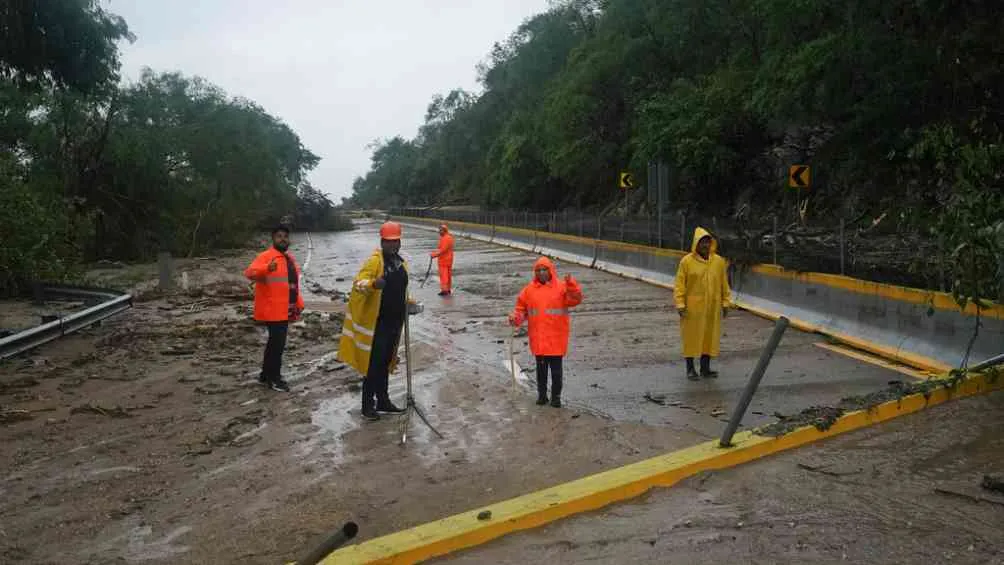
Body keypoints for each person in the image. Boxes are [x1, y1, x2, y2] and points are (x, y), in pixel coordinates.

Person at [339, 221, 410, 421]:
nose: (393, 245)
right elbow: (358, 284)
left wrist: (409, 303)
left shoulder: (400, 262)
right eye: (389, 242)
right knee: (374, 364)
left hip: (395, 322)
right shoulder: (374, 262)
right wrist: (372, 284)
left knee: (386, 362)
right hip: (378, 322)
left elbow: (400, 289)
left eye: (396, 241)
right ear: (382, 242)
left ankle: (384, 401)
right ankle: (367, 405)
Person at [508, 257, 583, 408]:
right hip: (539, 338)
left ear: (550, 271)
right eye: (538, 270)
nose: (541, 273)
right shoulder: (529, 291)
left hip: (556, 337)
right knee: (541, 371)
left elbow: (575, 299)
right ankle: (542, 396)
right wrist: (515, 318)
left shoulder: (562, 287)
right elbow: (521, 310)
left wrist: (571, 285)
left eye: (544, 270)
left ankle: (556, 398)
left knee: (556, 371)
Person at [244, 225, 304, 392]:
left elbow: (292, 285)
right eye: (279, 236)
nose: (283, 239)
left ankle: (265, 375)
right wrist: (265, 268)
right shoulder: (266, 256)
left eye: (285, 236)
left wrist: (299, 304)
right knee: (277, 345)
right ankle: (274, 379)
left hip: (286, 309)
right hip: (272, 310)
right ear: (273, 239)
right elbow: (249, 273)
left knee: (273, 344)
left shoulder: (289, 259)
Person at [674, 227, 731, 380]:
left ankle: (705, 368)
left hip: (712, 307)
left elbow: (723, 283)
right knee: (691, 338)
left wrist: (725, 303)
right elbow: (680, 285)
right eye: (702, 243)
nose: (705, 246)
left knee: (709, 337)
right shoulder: (686, 262)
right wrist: (680, 304)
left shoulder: (718, 262)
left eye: (707, 242)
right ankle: (690, 369)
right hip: (693, 308)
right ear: (696, 244)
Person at [430, 224, 455, 296]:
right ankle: (448, 289)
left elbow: (442, 250)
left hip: (443, 261)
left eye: (440, 230)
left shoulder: (445, 238)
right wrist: (435, 253)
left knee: (443, 276)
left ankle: (444, 291)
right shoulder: (449, 237)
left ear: (444, 231)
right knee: (448, 275)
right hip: (449, 260)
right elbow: (442, 249)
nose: (439, 232)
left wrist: (433, 255)